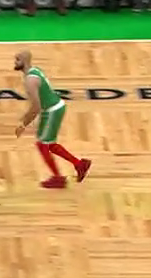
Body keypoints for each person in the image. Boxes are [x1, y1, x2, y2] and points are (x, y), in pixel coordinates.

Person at [13, 51, 92, 189]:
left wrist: (23, 125)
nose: (15, 62)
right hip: (52, 108)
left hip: (52, 111)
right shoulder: (35, 71)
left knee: (42, 144)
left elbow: (36, 107)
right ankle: (80, 164)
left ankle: (58, 178)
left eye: (18, 59)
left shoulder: (30, 81)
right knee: (49, 144)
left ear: (24, 62)